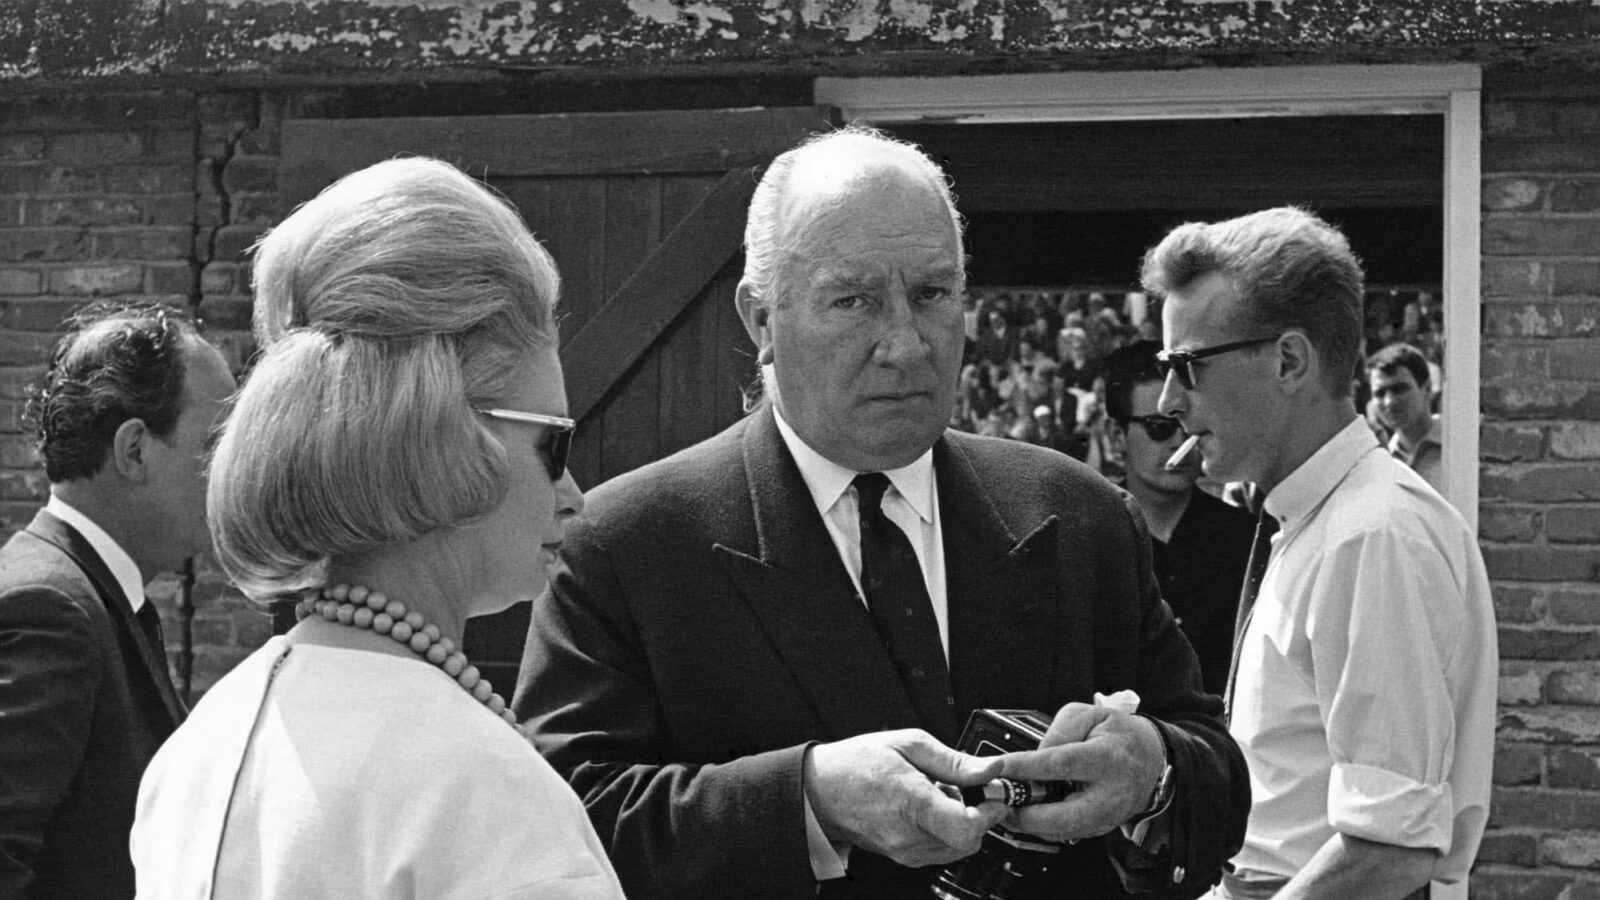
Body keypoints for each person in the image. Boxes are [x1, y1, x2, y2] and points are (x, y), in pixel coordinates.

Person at [516, 126, 1247, 899]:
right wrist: (808, 800)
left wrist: (1154, 771)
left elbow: (1217, 776)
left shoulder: (1080, 516)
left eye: (931, 294)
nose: (905, 345)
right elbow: (559, 830)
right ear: (761, 320)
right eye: (854, 300)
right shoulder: (628, 545)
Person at [129, 158, 624, 899]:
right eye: (554, 444)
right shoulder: (481, 792)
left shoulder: (200, 745)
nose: (574, 496)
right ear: (448, 434)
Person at [1144, 207, 1496, 899]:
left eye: (1188, 366)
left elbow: (1388, 850)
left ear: (1289, 361)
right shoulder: (1323, 520)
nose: (1168, 401)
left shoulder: (1373, 535)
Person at [0, 300, 233, 899]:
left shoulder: (91, 594)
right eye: (215, 444)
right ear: (135, 451)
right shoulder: (52, 609)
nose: (231, 472)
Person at [1103, 340, 1256, 696]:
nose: (1178, 442)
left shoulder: (1243, 538)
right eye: (1159, 427)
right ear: (1117, 436)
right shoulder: (1093, 536)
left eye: (1188, 426)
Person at [1366, 342, 1443, 492]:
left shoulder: (1461, 443)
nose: (1389, 402)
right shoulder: (1382, 462)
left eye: (1399, 389)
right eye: (1380, 394)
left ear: (1427, 388)